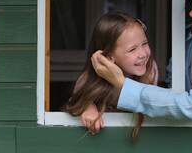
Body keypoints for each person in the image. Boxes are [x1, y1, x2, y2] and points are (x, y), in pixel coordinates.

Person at [62, 12, 159, 143]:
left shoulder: (150, 69)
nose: (143, 54)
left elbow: (151, 103)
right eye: (132, 49)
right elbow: (75, 101)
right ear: (108, 57)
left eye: (145, 43)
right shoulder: (88, 79)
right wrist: (87, 107)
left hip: (134, 140)